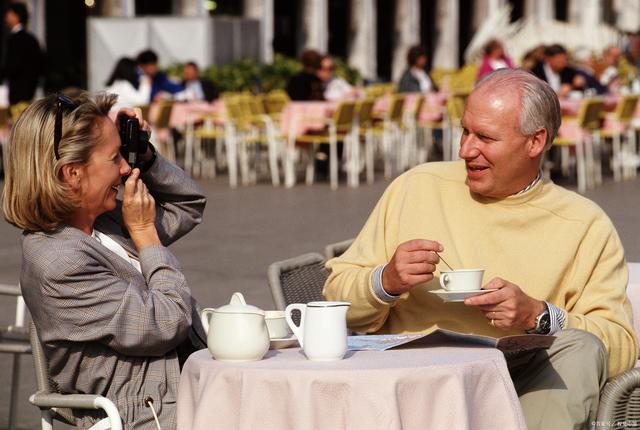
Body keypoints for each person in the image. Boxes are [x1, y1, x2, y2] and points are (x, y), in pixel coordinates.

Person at [324, 69, 637, 429]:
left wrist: (537, 316)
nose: (465, 150)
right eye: (465, 131)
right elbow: (334, 297)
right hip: (406, 386)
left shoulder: (584, 223)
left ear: (535, 142)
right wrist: (385, 281)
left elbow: (620, 347)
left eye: (485, 137)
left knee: (579, 346)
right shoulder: (418, 186)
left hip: (519, 389)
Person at [2, 92, 207, 429]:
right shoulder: (59, 263)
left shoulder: (102, 225)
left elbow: (188, 205)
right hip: (148, 416)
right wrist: (145, 234)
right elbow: (168, 322)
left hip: (184, 394)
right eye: (115, 159)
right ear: (72, 174)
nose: (126, 168)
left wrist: (144, 154)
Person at [0, 2, 44, 104]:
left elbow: (13, 65)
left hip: (19, 93)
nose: (6, 16)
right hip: (28, 92)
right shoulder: (31, 39)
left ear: (16, 16)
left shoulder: (16, 39)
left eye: (9, 14)